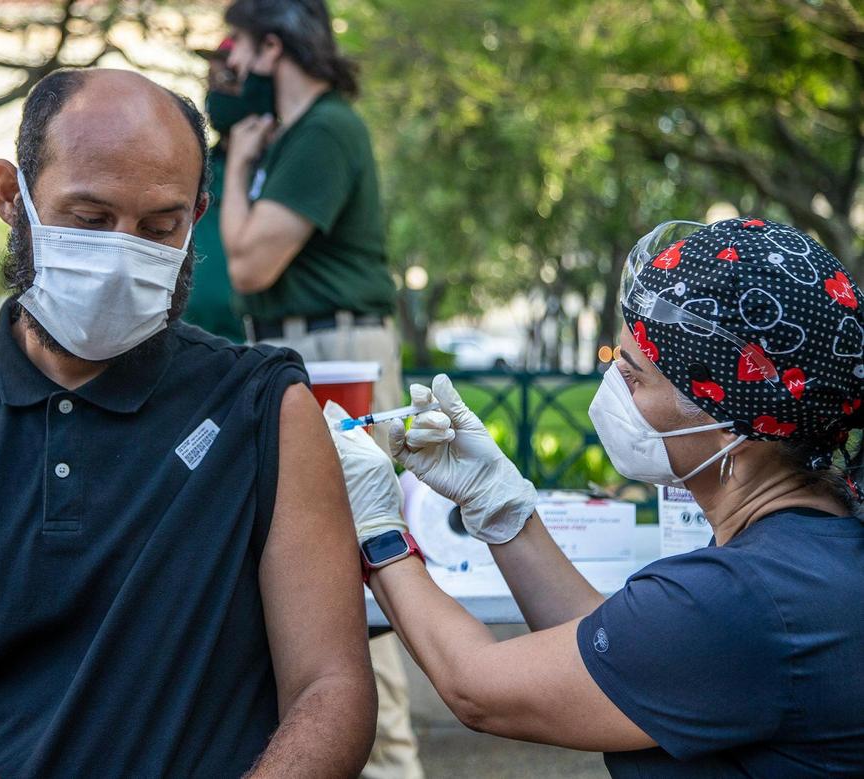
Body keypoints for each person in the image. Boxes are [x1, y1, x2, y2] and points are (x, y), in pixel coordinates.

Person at [0, 68, 376, 778]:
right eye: (89, 219)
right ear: (12, 196)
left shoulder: (263, 409)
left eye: (161, 227)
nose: (123, 256)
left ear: (198, 214)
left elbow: (331, 687)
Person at [331, 218, 864, 777]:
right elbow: (623, 647)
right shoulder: (808, 550)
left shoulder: (742, 600)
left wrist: (379, 531)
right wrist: (501, 507)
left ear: (730, 421)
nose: (613, 388)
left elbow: (477, 688)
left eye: (634, 377)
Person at [220, 4, 420, 776]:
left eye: (239, 43)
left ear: (274, 44)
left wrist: (236, 165)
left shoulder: (327, 129)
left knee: (361, 561)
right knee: (302, 565)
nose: (230, 62)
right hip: (291, 343)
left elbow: (247, 266)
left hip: (333, 347)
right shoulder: (292, 136)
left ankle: (392, 762)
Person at [183, 38, 246, 342]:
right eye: (211, 82)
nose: (216, 93)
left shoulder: (284, 167)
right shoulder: (197, 166)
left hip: (259, 343)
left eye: (229, 80)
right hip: (194, 341)